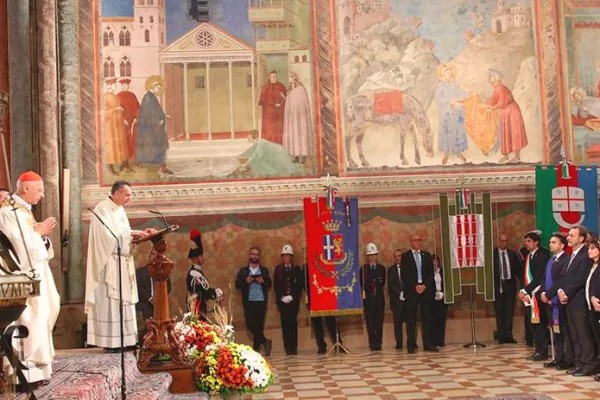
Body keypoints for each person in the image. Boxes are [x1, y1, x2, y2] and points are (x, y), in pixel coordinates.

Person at [0, 171, 60, 385]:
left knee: (46, 310)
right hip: (21, 275)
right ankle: (24, 373)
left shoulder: (24, 211)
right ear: (25, 188)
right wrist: (39, 232)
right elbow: (18, 249)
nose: (43, 195)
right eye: (40, 190)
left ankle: (39, 369)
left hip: (37, 270)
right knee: (30, 317)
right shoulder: (9, 212)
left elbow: (32, 242)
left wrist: (41, 236)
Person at [85, 181, 154, 352]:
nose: (129, 198)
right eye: (127, 195)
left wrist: (137, 235)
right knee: (112, 301)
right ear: (116, 193)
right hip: (109, 264)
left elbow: (123, 233)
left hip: (122, 263)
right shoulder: (102, 209)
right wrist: (130, 235)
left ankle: (127, 339)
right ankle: (112, 342)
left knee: (124, 301)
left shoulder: (120, 210)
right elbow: (106, 238)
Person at [547, 226, 597, 376]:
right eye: (568, 235)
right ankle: (579, 362)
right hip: (569, 300)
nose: (568, 238)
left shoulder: (584, 255)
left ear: (581, 239)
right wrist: (558, 292)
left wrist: (566, 293)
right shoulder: (571, 256)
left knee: (583, 335)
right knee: (574, 335)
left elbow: (580, 278)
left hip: (579, 300)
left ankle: (590, 364)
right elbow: (565, 278)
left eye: (572, 236)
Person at [539, 234, 571, 370]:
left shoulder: (566, 260)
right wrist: (543, 293)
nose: (550, 244)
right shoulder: (551, 260)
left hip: (559, 301)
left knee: (565, 331)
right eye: (550, 242)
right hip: (549, 301)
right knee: (555, 331)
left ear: (562, 245)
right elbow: (544, 277)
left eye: (553, 242)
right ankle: (557, 358)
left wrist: (550, 294)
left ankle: (568, 359)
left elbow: (561, 280)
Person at [401, 234, 436, 353]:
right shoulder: (405, 256)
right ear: (411, 242)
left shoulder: (426, 256)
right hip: (412, 290)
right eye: (415, 240)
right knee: (411, 318)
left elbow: (431, 274)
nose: (418, 242)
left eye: (419, 240)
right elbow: (405, 275)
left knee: (427, 317)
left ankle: (428, 343)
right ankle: (411, 345)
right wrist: (415, 285)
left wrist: (424, 285)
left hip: (425, 290)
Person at [519, 230, 551, 361]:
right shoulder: (528, 255)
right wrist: (523, 290)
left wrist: (526, 290)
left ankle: (543, 352)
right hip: (529, 294)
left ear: (536, 242)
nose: (526, 244)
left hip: (537, 293)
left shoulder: (542, 254)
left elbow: (539, 277)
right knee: (533, 325)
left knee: (540, 324)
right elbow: (525, 275)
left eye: (529, 241)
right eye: (525, 241)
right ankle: (537, 350)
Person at [235, 247, 272, 356]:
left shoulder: (264, 270)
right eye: (252, 254)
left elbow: (269, 284)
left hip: (261, 301)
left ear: (259, 256)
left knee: (259, 326)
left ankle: (256, 350)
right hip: (249, 302)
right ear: (249, 255)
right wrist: (245, 281)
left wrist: (263, 281)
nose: (254, 256)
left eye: (256, 254)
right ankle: (265, 341)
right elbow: (237, 285)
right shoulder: (243, 271)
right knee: (251, 325)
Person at [486, 69, 528, 163]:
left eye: (491, 76)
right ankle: (506, 155)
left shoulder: (499, 87)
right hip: (506, 112)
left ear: (496, 78)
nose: (489, 78)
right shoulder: (497, 88)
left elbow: (502, 103)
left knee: (514, 133)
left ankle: (517, 156)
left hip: (512, 112)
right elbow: (494, 98)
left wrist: (492, 108)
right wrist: (488, 103)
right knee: (505, 133)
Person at [135, 75, 172, 175]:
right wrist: (157, 121)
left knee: (160, 146)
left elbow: (156, 111)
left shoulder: (152, 97)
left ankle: (162, 166)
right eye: (157, 88)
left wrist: (164, 116)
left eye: (160, 88)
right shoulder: (148, 98)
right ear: (152, 87)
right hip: (150, 129)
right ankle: (159, 167)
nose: (159, 90)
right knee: (156, 147)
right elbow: (148, 114)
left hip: (155, 127)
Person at [434, 64, 468, 165]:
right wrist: (449, 101)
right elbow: (438, 98)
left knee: (457, 131)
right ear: (442, 74)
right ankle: (446, 154)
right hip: (446, 113)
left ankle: (458, 152)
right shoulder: (440, 86)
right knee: (446, 132)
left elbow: (461, 93)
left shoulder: (454, 85)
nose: (449, 74)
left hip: (456, 112)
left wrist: (469, 94)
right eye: (447, 73)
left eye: (450, 73)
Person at [273, 245, 304, 355]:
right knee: (285, 323)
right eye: (284, 256)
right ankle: (287, 347)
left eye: (287, 256)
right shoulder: (279, 269)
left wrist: (293, 296)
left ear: (291, 257)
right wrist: (281, 297)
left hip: (293, 301)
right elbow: (276, 285)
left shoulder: (296, 269)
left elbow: (299, 285)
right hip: (282, 301)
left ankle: (294, 346)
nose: (285, 258)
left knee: (293, 323)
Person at [305, 264, 342, 354]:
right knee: (316, 323)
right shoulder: (306, 266)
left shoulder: (325, 263)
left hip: (325, 295)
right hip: (314, 297)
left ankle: (338, 343)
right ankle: (321, 345)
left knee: (330, 320)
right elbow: (305, 284)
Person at [186, 229, 222, 320]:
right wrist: (215, 293)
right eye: (201, 256)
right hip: (196, 306)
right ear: (194, 258)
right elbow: (202, 290)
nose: (203, 258)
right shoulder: (194, 273)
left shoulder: (198, 271)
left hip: (200, 305)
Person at [493, 234, 522, 344]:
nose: (503, 243)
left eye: (505, 241)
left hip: (510, 285)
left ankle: (509, 335)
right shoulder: (493, 254)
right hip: (498, 285)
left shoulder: (512, 254)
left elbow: (518, 270)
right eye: (501, 240)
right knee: (499, 311)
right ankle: (501, 335)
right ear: (498, 241)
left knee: (509, 310)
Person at [136, 263, 172, 343]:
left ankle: (159, 346)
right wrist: (150, 298)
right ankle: (144, 347)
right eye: (153, 254)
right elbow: (138, 288)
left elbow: (168, 287)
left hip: (160, 305)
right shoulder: (140, 271)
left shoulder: (164, 271)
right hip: (145, 304)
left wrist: (159, 297)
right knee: (147, 330)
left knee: (161, 329)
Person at [283, 71, 313, 165]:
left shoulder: (300, 88)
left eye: (289, 77)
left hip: (300, 117)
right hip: (293, 117)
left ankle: (303, 158)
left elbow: (302, 102)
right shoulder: (289, 88)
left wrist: (296, 109)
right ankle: (296, 156)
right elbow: (289, 101)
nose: (288, 78)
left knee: (301, 135)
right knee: (294, 135)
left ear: (293, 77)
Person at [360, 243, 386, 351]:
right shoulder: (363, 269)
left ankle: (379, 342)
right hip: (369, 301)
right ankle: (372, 343)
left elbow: (382, 282)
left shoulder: (381, 268)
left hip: (379, 300)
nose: (372, 257)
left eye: (374, 255)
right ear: (367, 257)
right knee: (370, 322)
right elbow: (362, 284)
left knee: (379, 323)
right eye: (370, 255)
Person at [104, 77, 130, 175]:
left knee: (119, 145)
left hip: (118, 125)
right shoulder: (105, 97)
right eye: (114, 85)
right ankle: (111, 168)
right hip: (110, 126)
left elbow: (119, 109)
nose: (116, 86)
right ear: (109, 86)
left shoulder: (115, 96)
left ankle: (122, 164)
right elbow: (104, 113)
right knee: (111, 145)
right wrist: (115, 109)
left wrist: (123, 119)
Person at [116, 78, 139, 168]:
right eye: (122, 85)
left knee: (132, 142)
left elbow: (137, 108)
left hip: (132, 123)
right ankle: (124, 162)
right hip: (123, 124)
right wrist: (122, 119)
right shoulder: (118, 96)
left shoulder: (132, 95)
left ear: (128, 86)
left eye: (125, 85)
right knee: (123, 143)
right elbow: (117, 110)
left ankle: (132, 162)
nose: (123, 87)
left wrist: (136, 118)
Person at [259, 71, 286, 145]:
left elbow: (285, 97)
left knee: (279, 129)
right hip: (269, 113)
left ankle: (279, 146)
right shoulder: (265, 87)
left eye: (275, 76)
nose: (274, 78)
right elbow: (262, 99)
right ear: (269, 77)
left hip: (279, 112)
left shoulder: (281, 86)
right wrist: (261, 100)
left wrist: (280, 103)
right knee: (270, 130)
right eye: (272, 77)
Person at [387, 248, 405, 350]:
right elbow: (391, 284)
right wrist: (400, 292)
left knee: (410, 322)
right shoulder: (391, 269)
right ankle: (399, 342)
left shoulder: (407, 267)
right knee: (397, 323)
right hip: (397, 300)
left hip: (408, 299)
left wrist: (405, 292)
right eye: (396, 256)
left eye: (399, 256)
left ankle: (412, 341)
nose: (398, 258)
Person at [430, 255, 448, 347]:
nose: (434, 264)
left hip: (442, 299)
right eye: (433, 262)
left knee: (441, 320)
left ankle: (441, 339)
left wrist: (443, 293)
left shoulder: (443, 273)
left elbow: (447, 284)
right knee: (433, 320)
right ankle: (434, 340)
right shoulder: (429, 274)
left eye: (436, 262)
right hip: (433, 300)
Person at [588, 241, 600, 382]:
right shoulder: (593, 266)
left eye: (592, 248)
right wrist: (591, 297)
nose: (589, 251)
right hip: (593, 306)